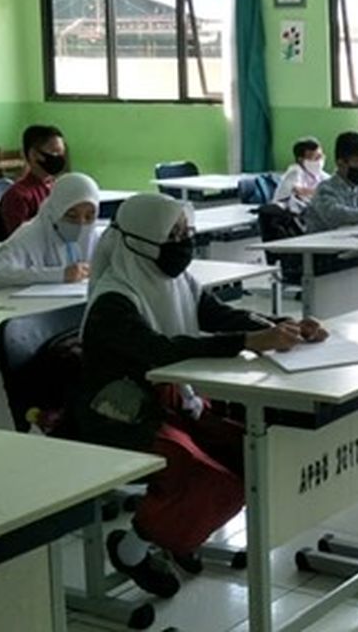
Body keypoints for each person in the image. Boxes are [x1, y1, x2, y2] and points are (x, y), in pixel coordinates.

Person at [73, 193, 327, 597]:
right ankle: (132, 548)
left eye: (185, 232)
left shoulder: (178, 281)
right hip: (119, 414)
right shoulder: (113, 300)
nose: (183, 242)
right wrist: (249, 339)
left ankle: (177, 534)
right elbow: (163, 350)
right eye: (171, 234)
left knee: (248, 452)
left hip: (171, 400)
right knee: (206, 478)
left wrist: (285, 326)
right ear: (141, 239)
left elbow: (219, 315)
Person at [0, 173, 100, 290]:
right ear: (56, 210)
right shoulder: (28, 236)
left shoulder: (93, 236)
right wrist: (58, 274)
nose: (81, 223)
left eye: (89, 217)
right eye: (71, 216)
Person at [0, 124, 68, 237]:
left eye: (62, 153)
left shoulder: (59, 188)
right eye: (55, 152)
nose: (60, 158)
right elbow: (21, 238)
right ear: (34, 155)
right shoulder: (18, 195)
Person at [273, 136, 328, 210]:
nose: (320, 160)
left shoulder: (320, 174)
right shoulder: (295, 171)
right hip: (284, 211)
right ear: (301, 160)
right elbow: (298, 190)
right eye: (315, 158)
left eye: (321, 156)